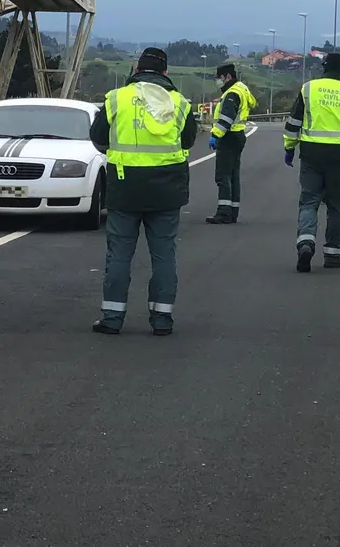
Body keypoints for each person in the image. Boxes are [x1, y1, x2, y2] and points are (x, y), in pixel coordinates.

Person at [89, 47, 199, 336]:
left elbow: (98, 137)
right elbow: (188, 141)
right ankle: (162, 319)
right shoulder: (179, 102)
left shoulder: (117, 98)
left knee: (119, 254)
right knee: (164, 255)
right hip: (167, 190)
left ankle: (112, 318)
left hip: (124, 188)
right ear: (165, 72)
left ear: (136, 70)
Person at [283, 52, 340, 272]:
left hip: (311, 154)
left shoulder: (309, 89)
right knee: (335, 205)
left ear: (324, 68)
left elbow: (294, 122)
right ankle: (332, 254)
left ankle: (306, 243)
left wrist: (289, 147)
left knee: (309, 201)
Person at [205, 63, 257, 224]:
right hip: (238, 135)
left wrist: (215, 134)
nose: (218, 81)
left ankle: (224, 212)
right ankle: (233, 211)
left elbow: (226, 118)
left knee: (223, 176)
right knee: (233, 175)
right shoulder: (241, 89)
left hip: (229, 137)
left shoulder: (232, 93)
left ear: (227, 77)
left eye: (220, 78)